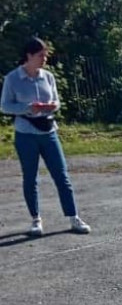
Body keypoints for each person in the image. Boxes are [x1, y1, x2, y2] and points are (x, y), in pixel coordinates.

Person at [1, 37, 91, 236]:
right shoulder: (12, 78)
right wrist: (27, 108)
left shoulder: (48, 77)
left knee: (62, 175)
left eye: (46, 55)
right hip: (26, 134)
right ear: (29, 55)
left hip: (48, 131)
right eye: (41, 55)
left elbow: (57, 101)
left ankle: (73, 217)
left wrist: (51, 106)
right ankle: (36, 220)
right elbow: (5, 106)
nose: (45, 59)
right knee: (30, 178)